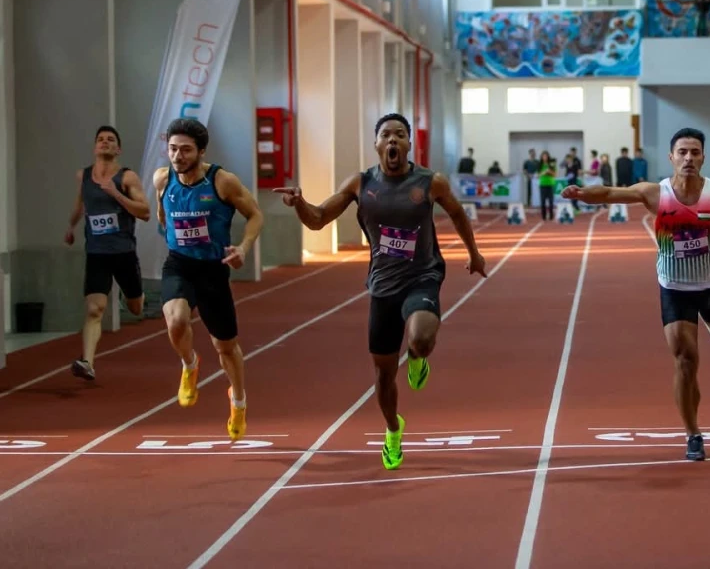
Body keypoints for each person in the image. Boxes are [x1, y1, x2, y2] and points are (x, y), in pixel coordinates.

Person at [561, 127, 710, 462]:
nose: (688, 158)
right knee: (685, 361)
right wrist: (583, 192)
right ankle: (693, 434)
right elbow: (612, 193)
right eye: (682, 152)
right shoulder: (654, 194)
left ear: (703, 157)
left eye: (695, 152)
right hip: (675, 289)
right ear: (671, 157)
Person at [274, 113, 488, 470]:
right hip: (382, 287)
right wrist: (299, 202)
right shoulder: (360, 184)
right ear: (376, 144)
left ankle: (418, 357)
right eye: (386, 135)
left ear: (409, 145)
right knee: (383, 375)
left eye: (400, 135)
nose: (393, 141)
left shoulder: (430, 182)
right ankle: (393, 429)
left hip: (422, 276)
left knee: (420, 337)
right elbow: (318, 219)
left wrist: (474, 253)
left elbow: (458, 215)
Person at [152, 118, 264, 441]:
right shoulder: (162, 178)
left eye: (186, 150)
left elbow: (256, 214)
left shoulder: (222, 182)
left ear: (201, 151)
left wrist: (243, 248)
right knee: (176, 321)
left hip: (213, 270)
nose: (177, 156)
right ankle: (189, 364)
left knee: (226, 347)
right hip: (179, 264)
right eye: (172, 149)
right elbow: (162, 213)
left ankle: (238, 400)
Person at [63, 125, 150, 381]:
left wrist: (116, 194)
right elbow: (80, 205)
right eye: (100, 139)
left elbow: (144, 212)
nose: (105, 142)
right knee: (94, 309)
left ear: (118, 149)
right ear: (94, 147)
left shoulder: (127, 178)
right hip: (97, 252)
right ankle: (87, 361)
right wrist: (71, 227)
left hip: (124, 252)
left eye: (110, 140)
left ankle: (131, 295)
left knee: (136, 308)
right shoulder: (84, 176)